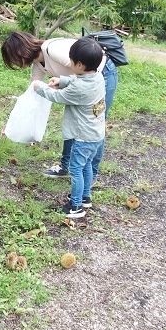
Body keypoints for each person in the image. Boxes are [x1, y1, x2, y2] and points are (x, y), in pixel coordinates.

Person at [1, 31, 118, 185]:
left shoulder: (52, 50)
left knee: (95, 125)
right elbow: (32, 95)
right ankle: (66, 166)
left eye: (13, 59)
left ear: (20, 53)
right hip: (80, 85)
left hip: (101, 75)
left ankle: (92, 173)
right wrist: (13, 124)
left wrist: (63, 85)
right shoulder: (38, 64)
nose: (15, 64)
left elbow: (87, 69)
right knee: (73, 123)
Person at [32, 37, 106, 218]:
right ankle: (85, 197)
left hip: (83, 137)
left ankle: (76, 206)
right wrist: (62, 80)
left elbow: (58, 97)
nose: (70, 64)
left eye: (71, 62)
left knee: (75, 170)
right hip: (96, 134)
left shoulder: (79, 89)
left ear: (79, 65)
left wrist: (39, 87)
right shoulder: (97, 76)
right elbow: (76, 80)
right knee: (87, 165)